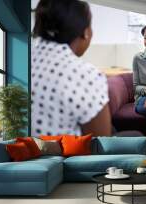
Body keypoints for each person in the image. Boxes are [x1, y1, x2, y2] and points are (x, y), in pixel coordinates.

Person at [31, 0, 112, 137]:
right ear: (86, 32)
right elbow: (100, 145)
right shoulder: (86, 75)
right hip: (66, 156)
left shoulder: (24, 59)